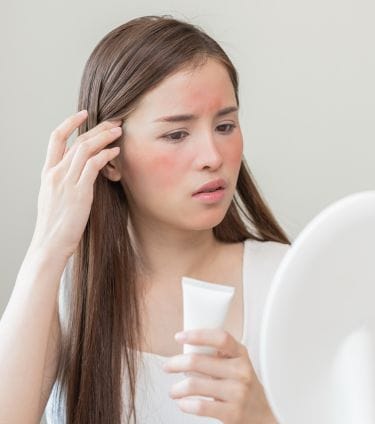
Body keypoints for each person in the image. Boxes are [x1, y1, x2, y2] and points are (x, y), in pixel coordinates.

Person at [0, 14, 291, 424]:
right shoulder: (63, 295)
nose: (213, 157)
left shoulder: (287, 281)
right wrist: (47, 247)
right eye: (176, 134)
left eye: (225, 125)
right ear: (110, 158)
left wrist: (262, 418)